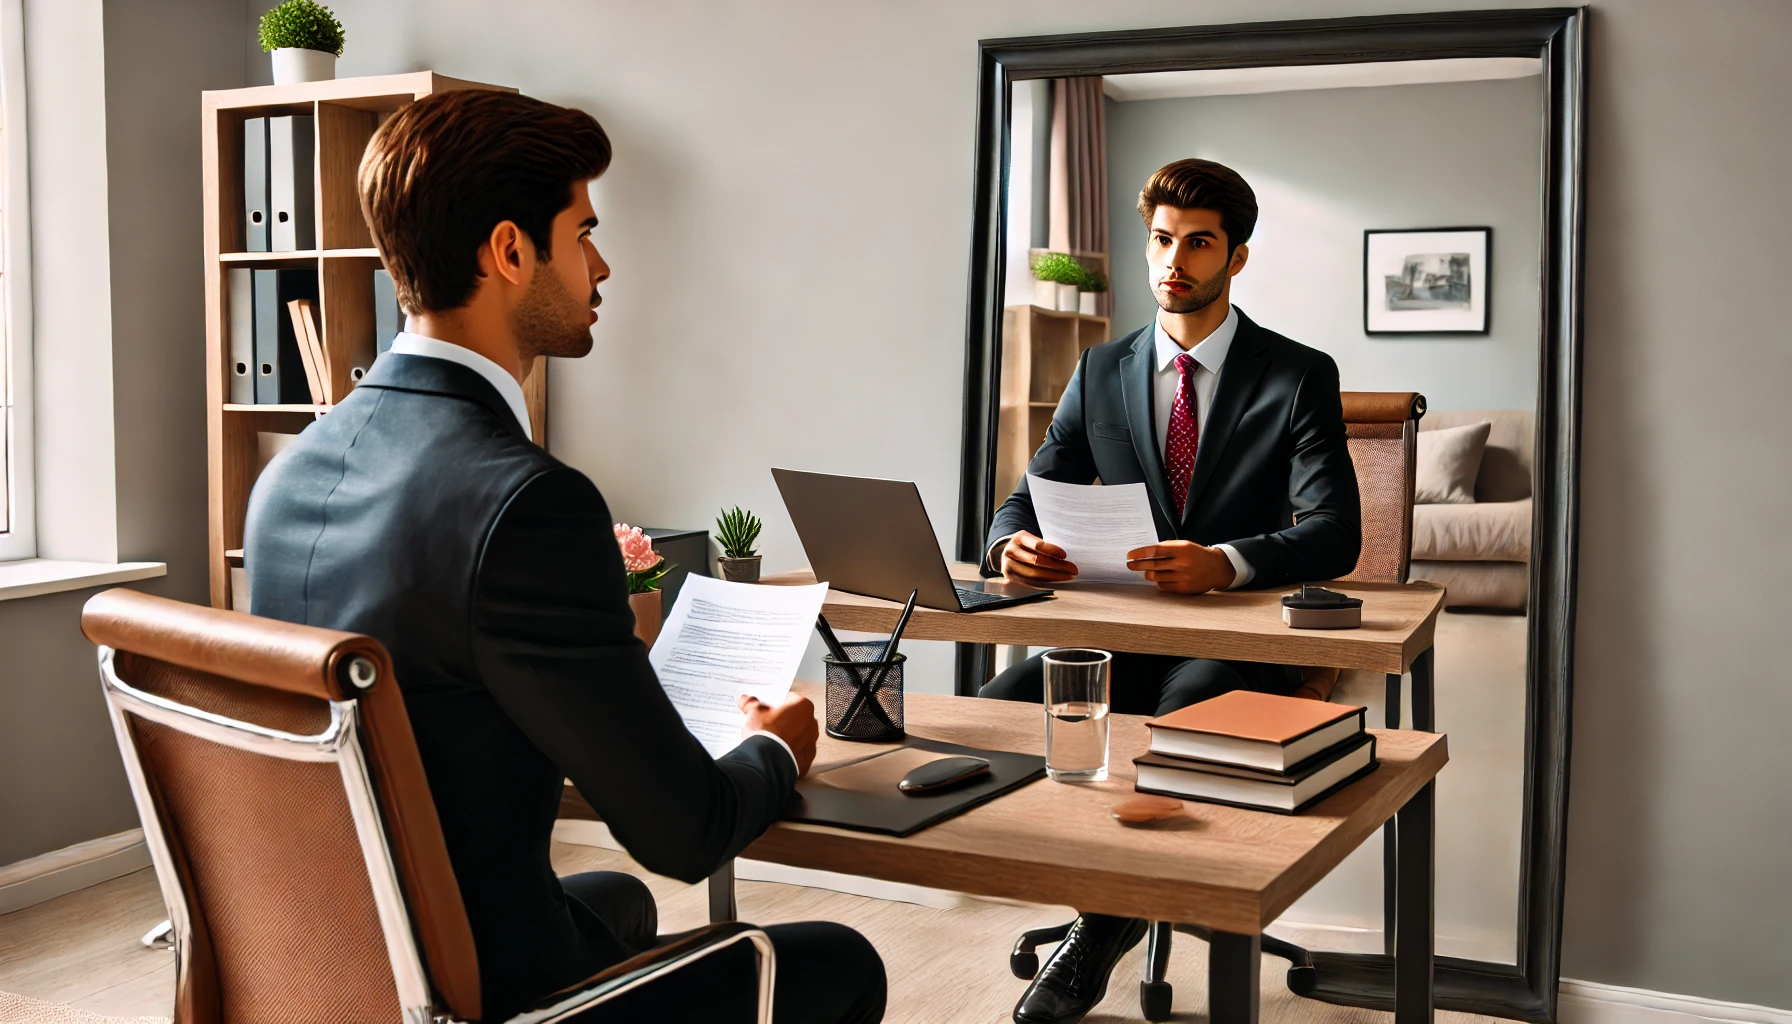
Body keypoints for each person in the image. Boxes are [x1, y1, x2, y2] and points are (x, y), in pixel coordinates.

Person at [244, 90, 884, 1024]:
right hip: (478, 996)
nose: (602, 263)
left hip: (339, 959)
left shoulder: (289, 474)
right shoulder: (527, 502)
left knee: (612, 903)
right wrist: (773, 748)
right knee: (838, 960)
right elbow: (683, 831)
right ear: (510, 252)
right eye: (582, 232)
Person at [982, 158, 1360, 1024]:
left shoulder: (1298, 373)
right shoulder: (1101, 368)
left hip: (1240, 639)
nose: (1173, 261)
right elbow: (1025, 492)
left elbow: (1337, 533)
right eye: (1161, 240)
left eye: (1198, 242)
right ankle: (1106, 894)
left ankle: (1096, 937)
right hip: (1117, 632)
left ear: (1237, 257)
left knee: (1184, 720)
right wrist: (1014, 543)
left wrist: (1223, 561)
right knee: (1005, 713)